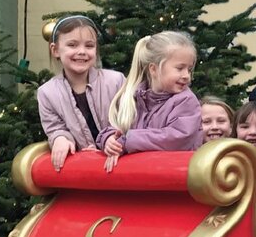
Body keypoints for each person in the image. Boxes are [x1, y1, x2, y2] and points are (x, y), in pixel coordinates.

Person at [97, 31, 204, 172]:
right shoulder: (133, 98)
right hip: (139, 176)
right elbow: (117, 126)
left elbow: (176, 138)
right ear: (153, 69)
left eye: (189, 70)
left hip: (174, 176)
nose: (186, 76)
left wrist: (127, 141)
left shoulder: (186, 101)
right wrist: (109, 139)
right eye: (180, 68)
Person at [37, 15, 125, 171]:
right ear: (55, 50)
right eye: (72, 45)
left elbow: (130, 120)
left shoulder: (116, 81)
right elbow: (55, 128)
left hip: (119, 163)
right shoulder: (47, 93)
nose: (82, 52)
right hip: (82, 169)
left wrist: (114, 139)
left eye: (89, 46)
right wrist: (60, 138)